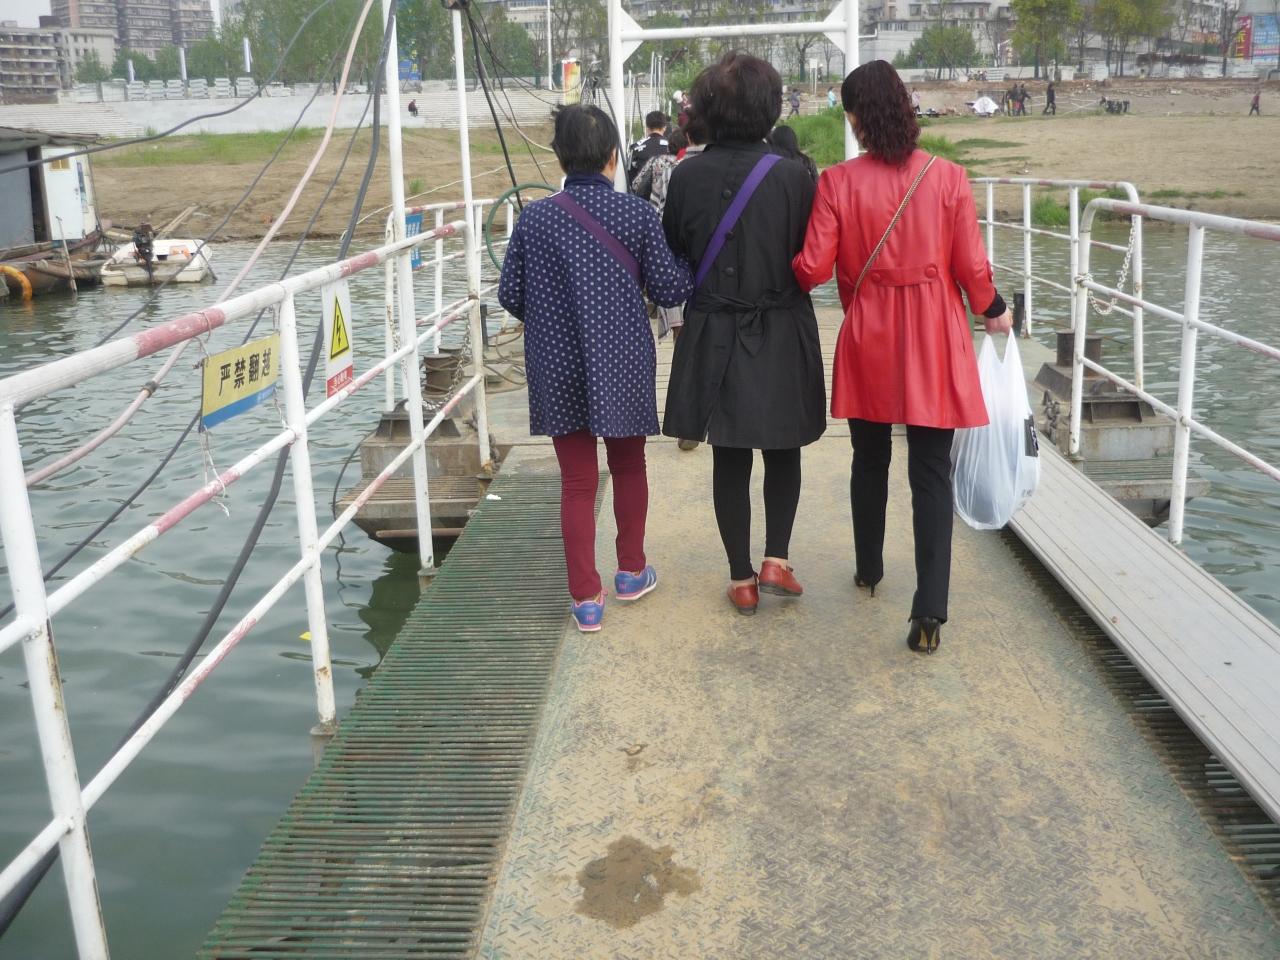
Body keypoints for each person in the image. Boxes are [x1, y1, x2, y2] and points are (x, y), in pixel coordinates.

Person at [791, 59, 1013, 656]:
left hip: (870, 330)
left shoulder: (837, 182)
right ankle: (930, 608)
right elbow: (971, 269)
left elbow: (813, 268)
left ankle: (869, 567)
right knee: (931, 470)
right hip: (934, 331)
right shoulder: (949, 178)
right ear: (906, 108)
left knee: (869, 457)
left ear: (856, 118)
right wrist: (993, 309)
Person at [498, 104, 693, 632]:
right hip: (623, 360)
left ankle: (586, 599)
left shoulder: (535, 218)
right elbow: (669, 289)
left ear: (560, 157)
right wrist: (694, 262)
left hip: (556, 363)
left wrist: (554, 313)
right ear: (612, 156)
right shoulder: (636, 215)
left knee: (577, 482)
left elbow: (510, 294)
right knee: (629, 467)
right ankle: (631, 572)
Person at [663, 52, 827, 615]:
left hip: (714, 327)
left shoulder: (686, 176)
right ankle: (776, 558)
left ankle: (740, 578)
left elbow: (678, 247)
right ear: (769, 108)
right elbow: (810, 256)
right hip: (780, 324)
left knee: (729, 454)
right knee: (783, 446)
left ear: (707, 110)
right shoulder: (794, 176)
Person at [632, 130, 689, 339]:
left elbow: (638, 185)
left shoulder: (658, 163)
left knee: (674, 305)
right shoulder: (693, 166)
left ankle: (677, 339)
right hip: (690, 239)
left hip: (665, 233)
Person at [628, 111, 670, 192]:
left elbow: (630, 176)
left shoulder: (636, 147)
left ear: (647, 128)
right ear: (664, 127)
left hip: (642, 195)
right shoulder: (672, 146)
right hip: (665, 194)